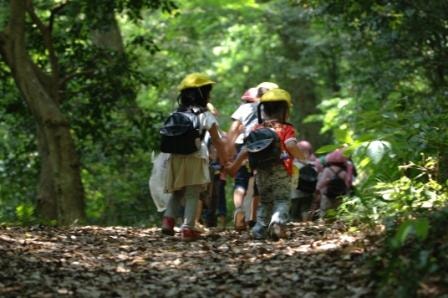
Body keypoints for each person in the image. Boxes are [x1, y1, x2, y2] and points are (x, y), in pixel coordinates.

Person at [226, 88, 306, 240]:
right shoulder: (286, 128)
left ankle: (259, 230)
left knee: (266, 201)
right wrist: (302, 158)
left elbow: (246, 149)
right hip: (281, 170)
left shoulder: (257, 128)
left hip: (260, 172)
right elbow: (290, 145)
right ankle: (277, 223)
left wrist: (235, 165)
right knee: (281, 199)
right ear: (285, 111)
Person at [161, 73, 227, 241]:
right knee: (193, 193)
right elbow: (217, 141)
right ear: (203, 94)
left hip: (175, 157)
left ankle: (168, 221)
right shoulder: (205, 115)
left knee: (177, 191)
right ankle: (187, 228)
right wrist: (225, 159)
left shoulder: (176, 113)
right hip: (195, 157)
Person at [226, 82, 279, 231]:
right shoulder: (273, 110)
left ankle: (239, 210)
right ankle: (253, 219)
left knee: (241, 180)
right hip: (266, 148)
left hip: (246, 145)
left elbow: (234, 129)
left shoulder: (244, 108)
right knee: (258, 183)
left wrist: (228, 148)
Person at [315, 149, 354, 218]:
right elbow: (348, 184)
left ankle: (323, 224)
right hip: (340, 195)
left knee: (324, 211)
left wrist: (317, 189)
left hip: (327, 195)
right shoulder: (344, 172)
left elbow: (321, 183)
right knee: (337, 212)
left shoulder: (327, 170)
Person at [290, 140, 318, 221]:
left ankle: (294, 227)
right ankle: (305, 224)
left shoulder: (293, 164)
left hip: (294, 193)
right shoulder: (312, 164)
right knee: (305, 209)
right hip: (308, 192)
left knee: (294, 212)